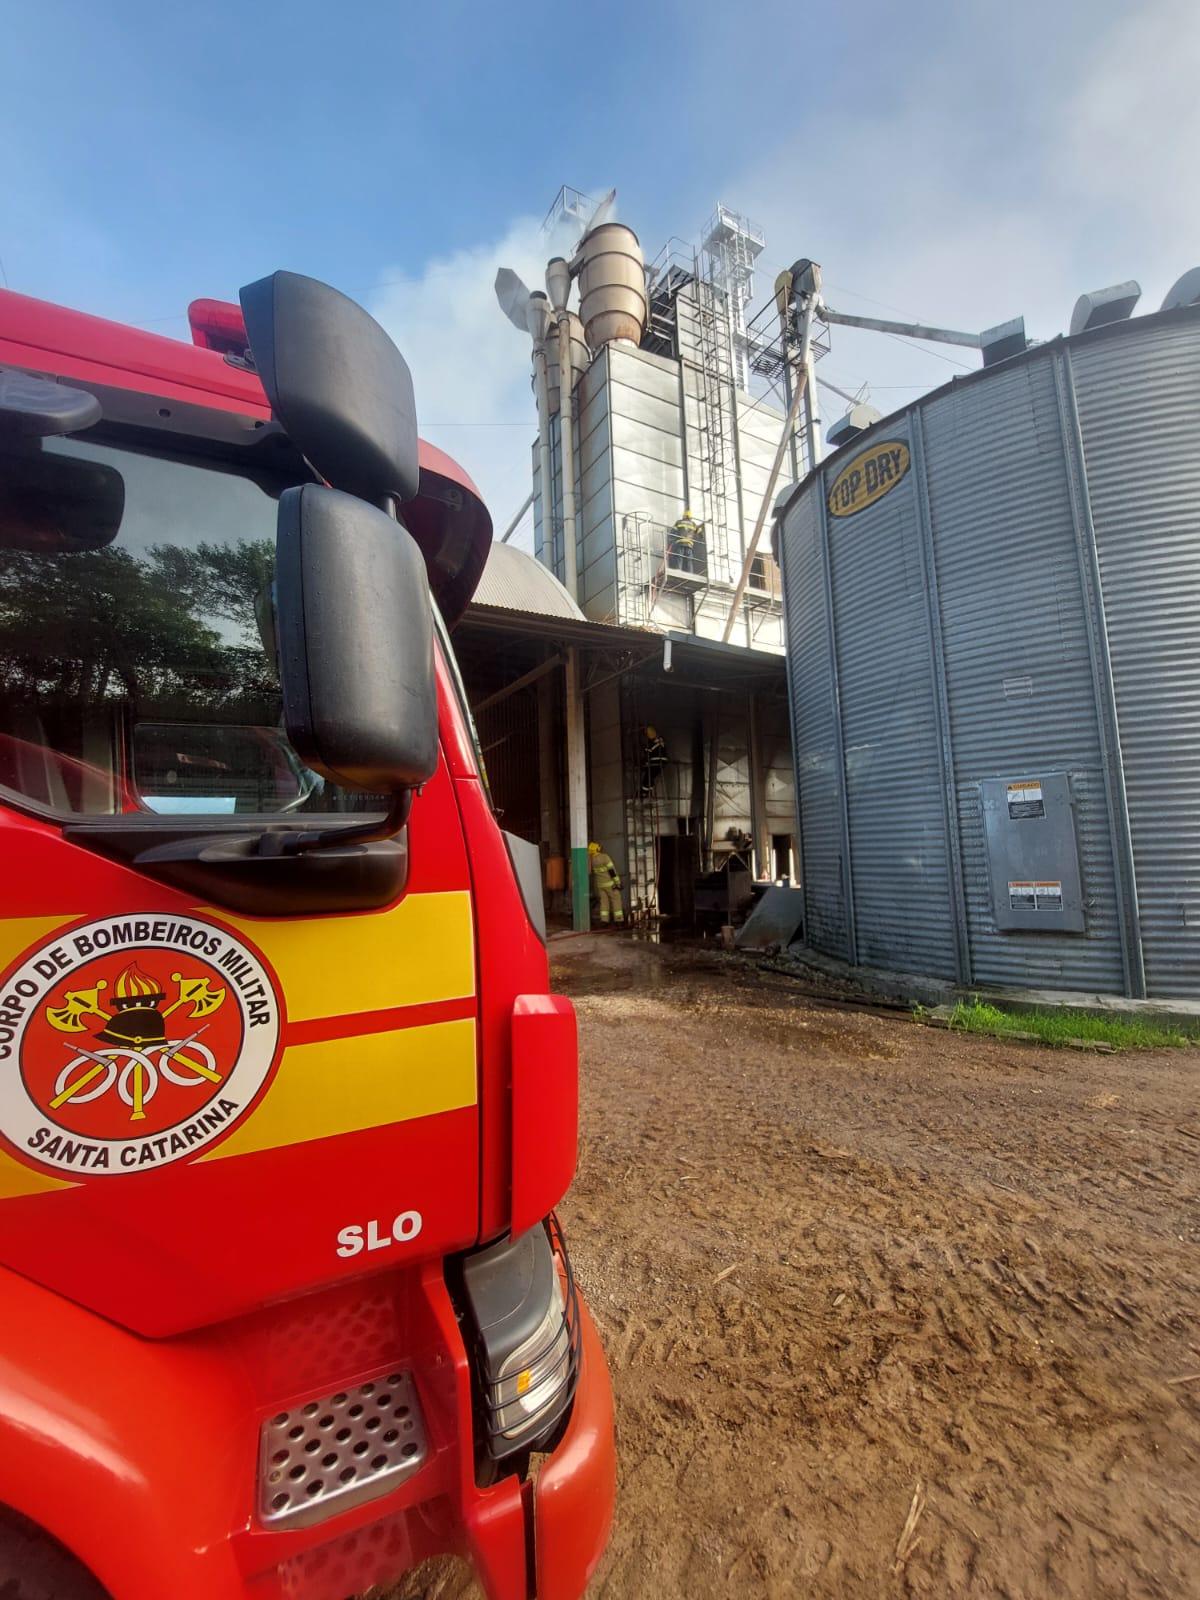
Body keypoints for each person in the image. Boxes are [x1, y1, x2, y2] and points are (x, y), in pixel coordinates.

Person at [588, 841, 624, 926]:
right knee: (616, 900)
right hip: (610, 884)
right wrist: (618, 882)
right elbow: (612, 871)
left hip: (600, 885)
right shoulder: (604, 857)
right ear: (597, 849)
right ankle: (619, 920)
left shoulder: (590, 860)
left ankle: (604, 920)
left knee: (604, 902)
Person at [668, 508, 704, 575]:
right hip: (689, 545)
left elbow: (672, 532)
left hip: (680, 543)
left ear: (684, 516)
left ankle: (678, 572)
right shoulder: (693, 524)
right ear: (690, 516)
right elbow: (700, 533)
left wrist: (671, 539)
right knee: (689, 560)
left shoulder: (679, 522)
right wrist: (701, 537)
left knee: (679, 558)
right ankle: (690, 573)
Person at [639, 725, 668, 796]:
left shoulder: (657, 742)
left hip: (657, 762)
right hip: (659, 762)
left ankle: (644, 792)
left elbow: (650, 751)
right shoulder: (659, 741)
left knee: (648, 776)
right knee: (649, 775)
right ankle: (646, 790)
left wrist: (643, 748)